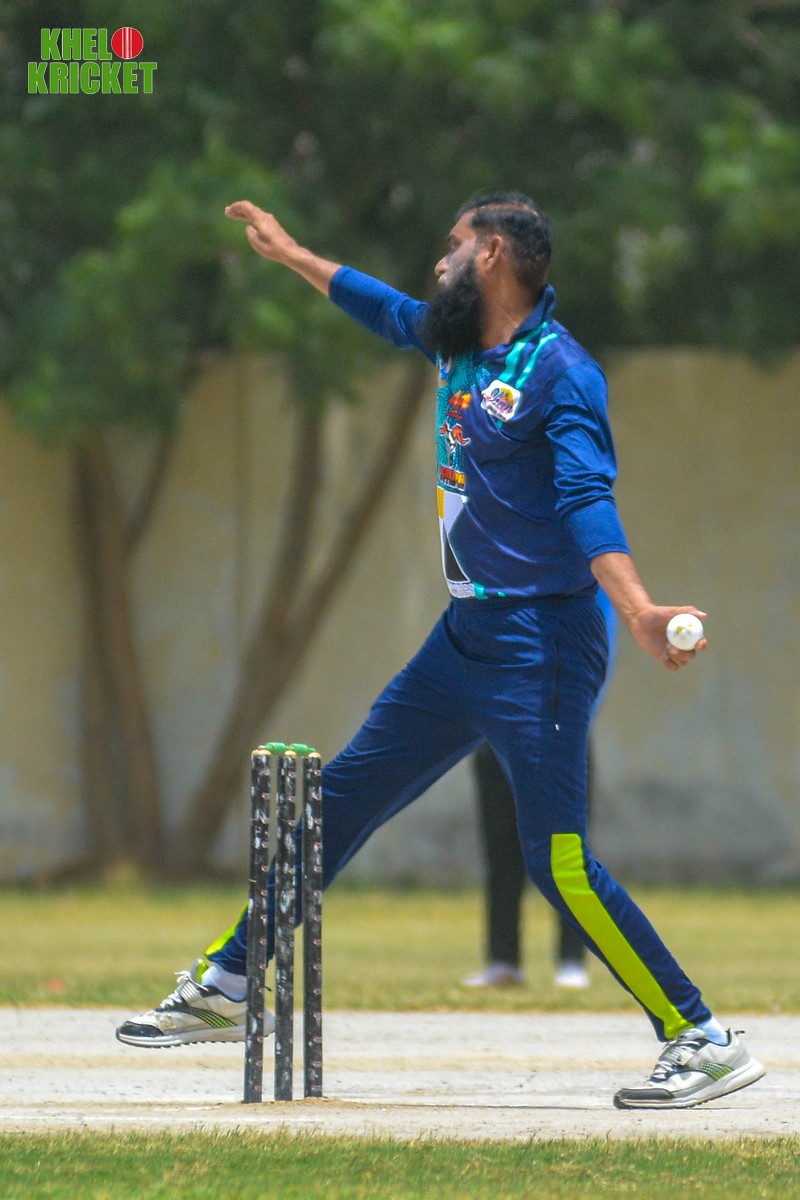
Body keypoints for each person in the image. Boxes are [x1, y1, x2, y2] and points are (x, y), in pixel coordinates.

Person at [116, 192, 764, 1109]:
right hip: (464, 639)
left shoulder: (560, 372)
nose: (438, 263)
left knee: (558, 863)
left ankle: (702, 1038)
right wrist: (293, 254)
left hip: (543, 643)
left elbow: (587, 500)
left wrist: (640, 611)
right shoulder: (455, 341)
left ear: (491, 254)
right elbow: (383, 308)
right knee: (336, 801)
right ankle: (229, 981)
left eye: (452, 247)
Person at [464, 590, 616, 991]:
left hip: (562, 727)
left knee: (567, 848)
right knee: (501, 847)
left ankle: (571, 961)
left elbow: (601, 648)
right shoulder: (486, 584)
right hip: (496, 728)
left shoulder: (583, 581)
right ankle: (503, 961)